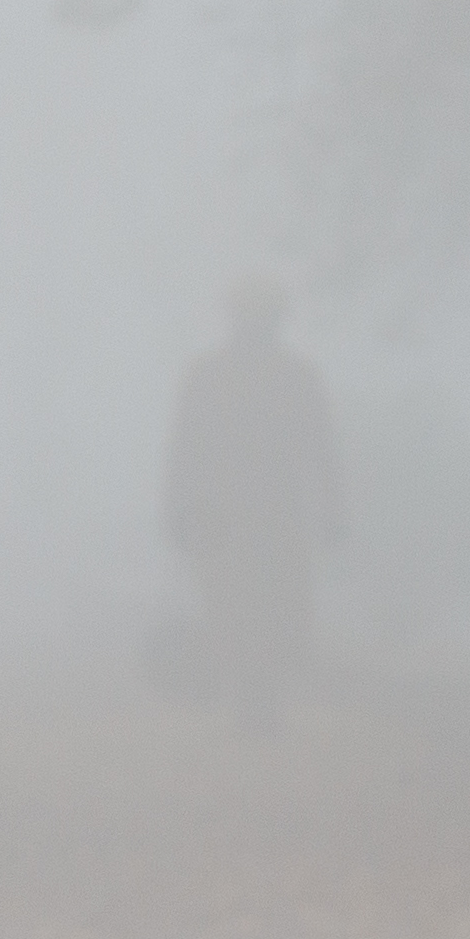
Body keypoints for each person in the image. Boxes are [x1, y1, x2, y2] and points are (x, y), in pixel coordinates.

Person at [162, 278, 346, 728]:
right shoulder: (284, 377)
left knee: (269, 603)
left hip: (260, 512)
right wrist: (179, 507)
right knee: (238, 602)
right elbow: (185, 449)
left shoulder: (271, 377)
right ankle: (249, 692)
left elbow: (321, 449)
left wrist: (332, 507)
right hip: (238, 513)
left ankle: (256, 692)